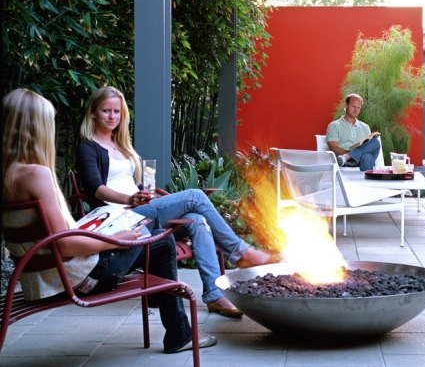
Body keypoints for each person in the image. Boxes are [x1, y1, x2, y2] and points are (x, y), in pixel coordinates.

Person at [2, 88, 216, 354]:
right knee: (162, 242)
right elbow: (66, 246)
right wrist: (116, 240)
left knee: (169, 228)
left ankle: (164, 306)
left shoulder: (8, 174)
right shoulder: (37, 174)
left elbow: (56, 239)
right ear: (37, 128)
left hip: (41, 279)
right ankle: (179, 333)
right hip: (79, 278)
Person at [75, 86, 274, 319]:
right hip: (122, 220)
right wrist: (130, 199)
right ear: (93, 113)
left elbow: (130, 184)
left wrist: (145, 195)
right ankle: (241, 253)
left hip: (140, 210)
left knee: (197, 220)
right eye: (105, 111)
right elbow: (96, 189)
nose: (111, 116)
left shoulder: (122, 146)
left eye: (116, 112)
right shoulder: (87, 147)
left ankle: (213, 294)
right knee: (195, 196)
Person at [326, 93, 381, 171]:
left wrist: (352, 154)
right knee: (367, 156)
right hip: (345, 162)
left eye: (358, 108)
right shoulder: (334, 125)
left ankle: (347, 156)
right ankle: (347, 157)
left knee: (375, 143)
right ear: (346, 105)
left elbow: (367, 146)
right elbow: (333, 147)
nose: (356, 110)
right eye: (353, 106)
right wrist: (352, 153)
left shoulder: (365, 127)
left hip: (361, 160)